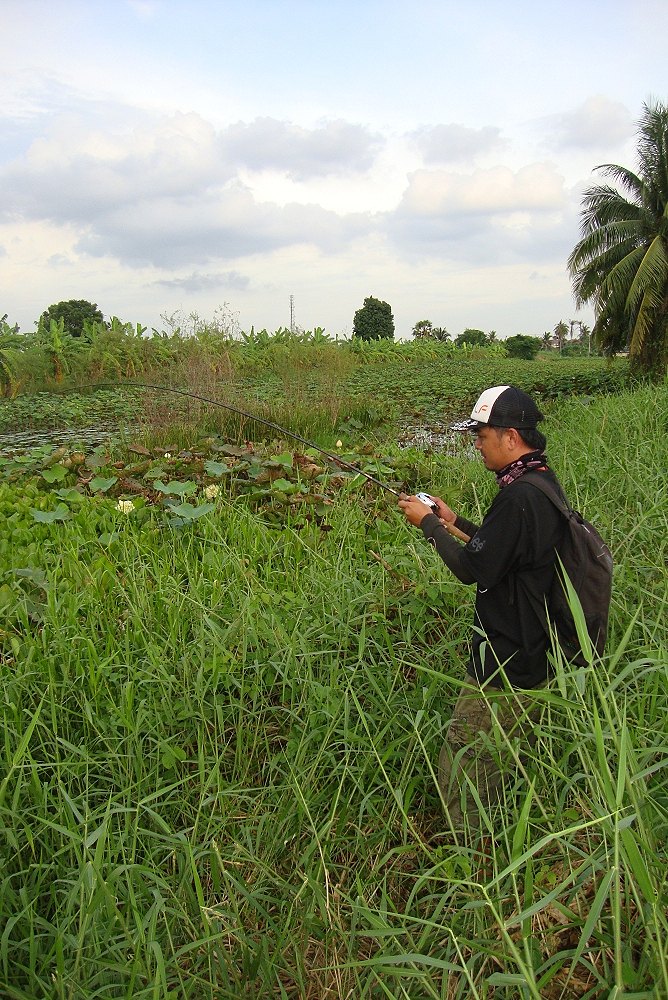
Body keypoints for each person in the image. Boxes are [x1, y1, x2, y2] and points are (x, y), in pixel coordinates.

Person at [398, 385, 566, 837]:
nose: (476, 443)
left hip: (506, 659)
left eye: (482, 434)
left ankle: (466, 856)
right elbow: (497, 551)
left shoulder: (518, 498)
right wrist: (452, 521)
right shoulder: (538, 482)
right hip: (533, 650)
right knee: (499, 755)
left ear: (510, 436)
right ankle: (495, 831)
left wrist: (428, 525)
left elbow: (472, 569)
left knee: (465, 757)